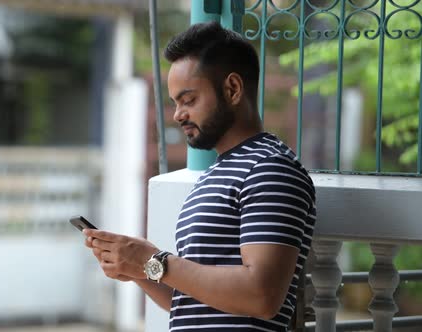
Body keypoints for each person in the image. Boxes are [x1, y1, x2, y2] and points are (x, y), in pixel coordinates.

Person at [83, 21, 316, 332]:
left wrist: (156, 261)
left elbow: (262, 295)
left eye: (189, 100)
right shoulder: (214, 175)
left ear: (232, 89)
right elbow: (189, 301)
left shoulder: (269, 168)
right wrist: (141, 269)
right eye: (175, 102)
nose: (179, 114)